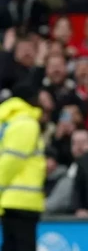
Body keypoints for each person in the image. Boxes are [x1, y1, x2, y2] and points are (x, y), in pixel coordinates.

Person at [0, 84, 46, 251]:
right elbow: (11, 162)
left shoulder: (9, 123)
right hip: (21, 201)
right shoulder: (25, 124)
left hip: (11, 200)